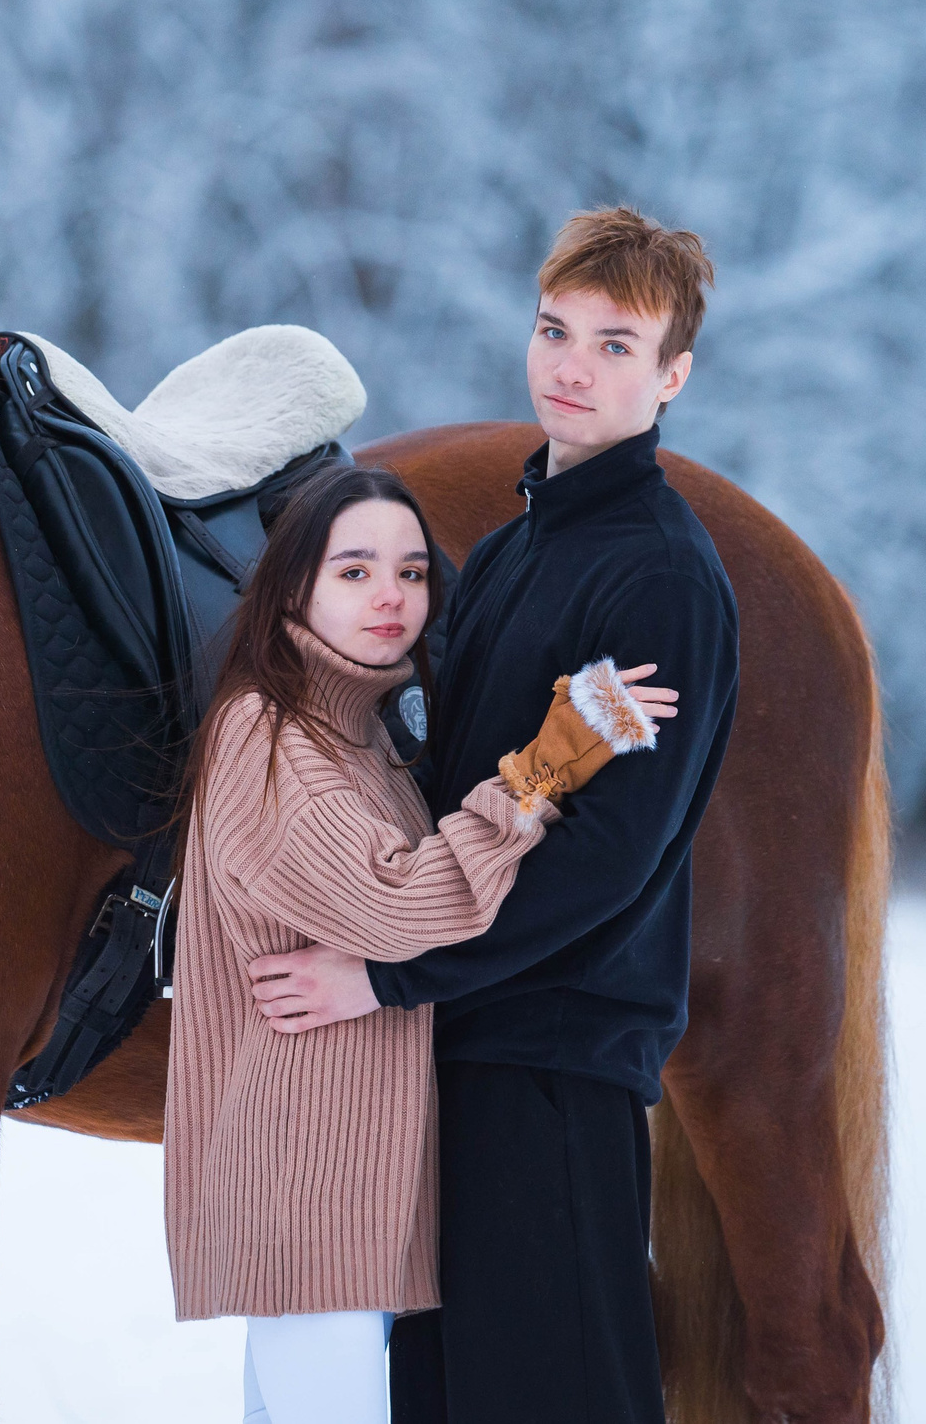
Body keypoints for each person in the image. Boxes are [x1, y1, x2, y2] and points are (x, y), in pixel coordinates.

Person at [246, 207, 740, 1424]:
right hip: (459, 1050)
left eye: (616, 345)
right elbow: (445, 789)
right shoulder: (519, 549)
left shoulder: (661, 576)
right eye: (554, 329)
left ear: (672, 375)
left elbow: (605, 867)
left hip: (551, 1065)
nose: (572, 366)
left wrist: (384, 978)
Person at [163, 460, 679, 1424]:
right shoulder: (267, 734)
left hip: (350, 1191)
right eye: (354, 570)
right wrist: (548, 764)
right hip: (308, 1193)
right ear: (293, 587)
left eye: (410, 571)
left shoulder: (357, 738)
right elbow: (400, 903)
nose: (391, 596)